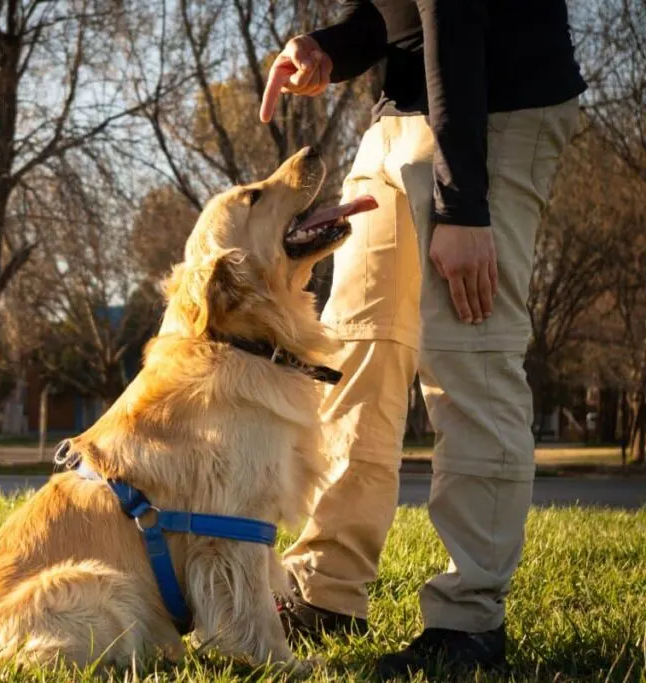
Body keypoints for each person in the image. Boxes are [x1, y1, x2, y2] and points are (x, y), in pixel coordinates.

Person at [258, 1, 586, 677]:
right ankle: (326, 589)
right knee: (355, 349)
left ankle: (469, 621)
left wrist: (463, 205)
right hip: (398, 115)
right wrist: (329, 47)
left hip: (491, 111)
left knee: (469, 356)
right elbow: (390, 14)